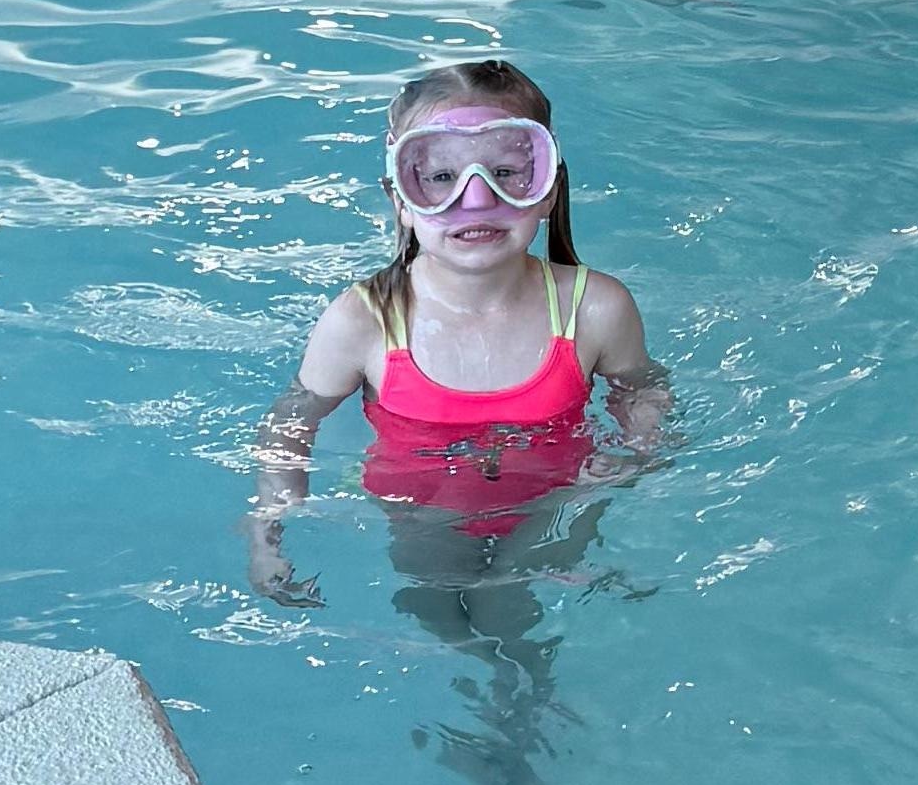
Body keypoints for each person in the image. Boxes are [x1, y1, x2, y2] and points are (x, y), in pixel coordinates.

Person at [247, 53, 667, 607]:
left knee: (513, 620)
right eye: (440, 177)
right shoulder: (364, 320)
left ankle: (521, 690)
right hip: (421, 508)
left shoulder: (594, 309)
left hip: (559, 501)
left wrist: (637, 454)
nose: (476, 199)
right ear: (400, 200)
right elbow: (292, 421)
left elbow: (643, 389)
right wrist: (270, 527)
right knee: (436, 609)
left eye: (508, 173)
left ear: (547, 190)